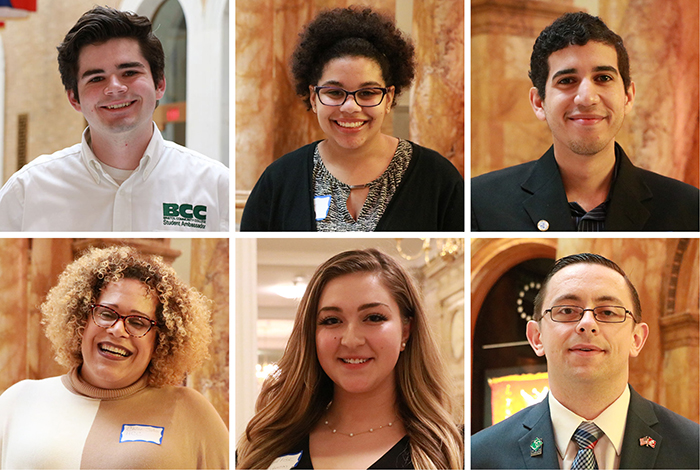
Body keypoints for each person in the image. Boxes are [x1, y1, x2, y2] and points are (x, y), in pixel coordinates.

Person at [0, 6, 229, 231]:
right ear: (74, 99)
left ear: (159, 84)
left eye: (129, 73)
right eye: (96, 78)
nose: (115, 88)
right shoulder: (26, 192)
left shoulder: (215, 185)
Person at [0, 246, 229, 468]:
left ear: (161, 339)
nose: (117, 329)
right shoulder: (18, 400)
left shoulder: (191, 412)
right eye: (107, 313)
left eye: (138, 322)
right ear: (82, 319)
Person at [240, 7, 464, 232]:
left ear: (389, 98)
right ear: (314, 97)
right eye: (335, 93)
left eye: (367, 93)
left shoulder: (438, 178)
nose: (350, 107)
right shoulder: (278, 180)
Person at [471, 12, 699, 231]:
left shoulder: (687, 207)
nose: (587, 98)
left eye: (603, 78)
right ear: (539, 102)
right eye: (567, 80)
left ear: (628, 96)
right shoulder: (479, 203)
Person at [237, 249, 463, 469]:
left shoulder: (453, 452)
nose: (351, 340)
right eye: (332, 320)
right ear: (311, 334)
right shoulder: (264, 447)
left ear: (406, 330)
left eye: (373, 318)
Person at [471, 253, 700, 469]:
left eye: (608, 312)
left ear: (636, 339)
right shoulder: (479, 456)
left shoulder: (693, 449)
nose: (587, 323)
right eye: (567, 310)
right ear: (537, 337)